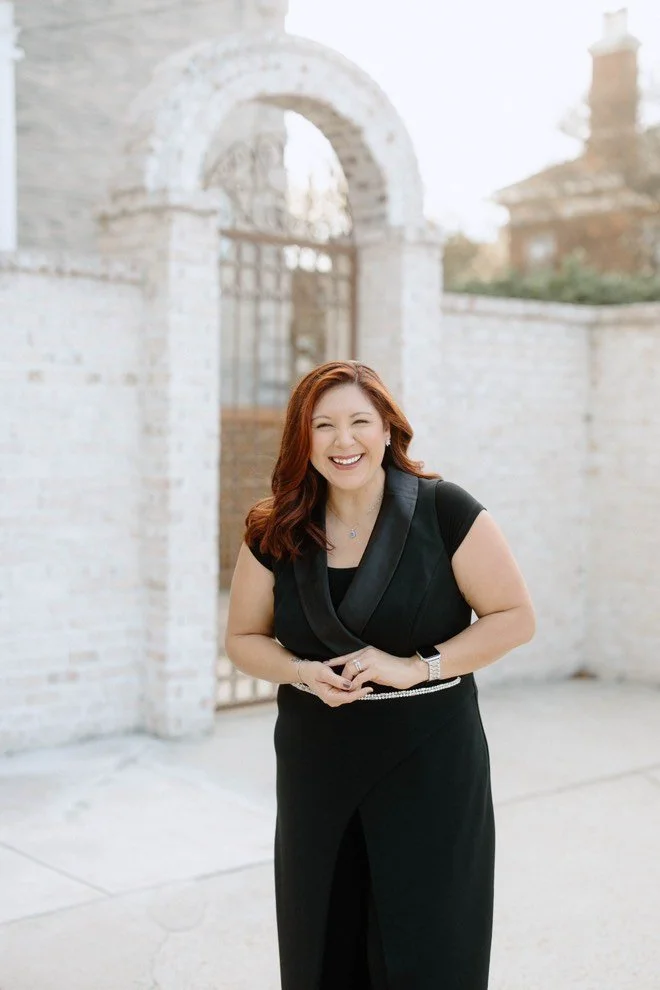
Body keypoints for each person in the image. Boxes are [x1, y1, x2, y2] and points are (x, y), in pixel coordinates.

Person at [225, 360, 535, 990]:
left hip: (431, 767)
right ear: (301, 439)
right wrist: (302, 671)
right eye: (325, 426)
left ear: (389, 430)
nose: (345, 441)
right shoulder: (273, 528)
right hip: (320, 768)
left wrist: (418, 667)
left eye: (360, 422)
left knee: (432, 946)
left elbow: (515, 617)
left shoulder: (445, 510)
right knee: (325, 942)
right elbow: (242, 639)